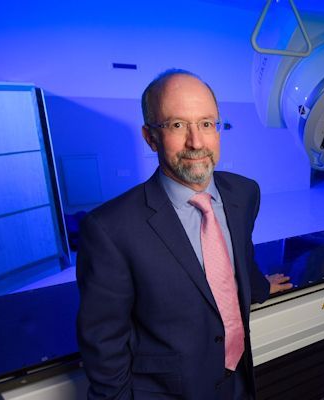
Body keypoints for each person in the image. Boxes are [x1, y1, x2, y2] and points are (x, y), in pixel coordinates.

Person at [76, 69, 292, 399]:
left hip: (240, 382)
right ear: (150, 136)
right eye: (177, 125)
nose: (196, 142)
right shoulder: (109, 229)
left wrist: (259, 286)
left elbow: (238, 260)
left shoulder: (245, 194)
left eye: (207, 124)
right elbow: (104, 346)